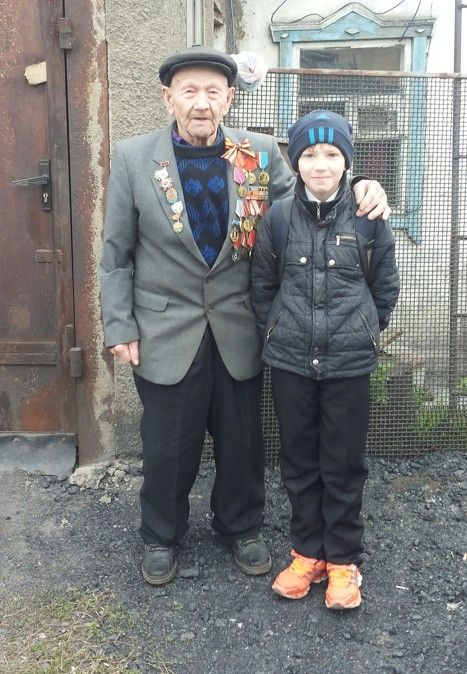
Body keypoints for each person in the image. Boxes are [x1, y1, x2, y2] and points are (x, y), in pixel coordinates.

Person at [99, 46, 391, 587]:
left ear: (230, 98)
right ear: (168, 97)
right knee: (167, 444)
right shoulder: (133, 158)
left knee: (242, 440)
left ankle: (240, 526)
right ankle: (161, 535)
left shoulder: (256, 153)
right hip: (163, 328)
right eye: (189, 91)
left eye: (213, 91)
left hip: (240, 324)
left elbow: (311, 199)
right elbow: (115, 254)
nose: (201, 103)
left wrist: (362, 187)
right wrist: (119, 325)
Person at [250, 110, 399, 609]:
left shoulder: (369, 218)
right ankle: (307, 553)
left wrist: (363, 329)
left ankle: (342, 560)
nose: (321, 164)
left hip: (348, 365)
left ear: (346, 161)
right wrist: (279, 331)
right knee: (298, 461)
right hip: (291, 363)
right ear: (295, 162)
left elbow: (384, 287)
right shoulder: (276, 219)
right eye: (310, 154)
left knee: (343, 462)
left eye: (332, 154)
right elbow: (262, 287)